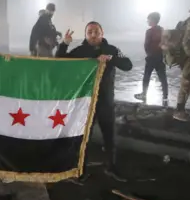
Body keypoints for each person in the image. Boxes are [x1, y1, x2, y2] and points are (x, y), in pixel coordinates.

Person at [56, 21, 133, 183]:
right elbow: (60, 61)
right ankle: (80, 171)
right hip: (86, 103)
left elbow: (128, 65)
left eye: (96, 31)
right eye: (89, 32)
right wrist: (64, 44)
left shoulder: (111, 50)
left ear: (102, 33)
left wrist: (111, 59)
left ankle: (111, 167)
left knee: (109, 136)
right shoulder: (80, 51)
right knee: (84, 138)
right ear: (85, 35)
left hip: (106, 101)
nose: (93, 35)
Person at [134, 12, 167, 106]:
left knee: (146, 77)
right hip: (160, 57)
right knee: (162, 78)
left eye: (148, 19)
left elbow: (146, 45)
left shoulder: (149, 31)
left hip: (151, 57)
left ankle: (144, 94)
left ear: (152, 20)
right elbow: (164, 43)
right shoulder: (162, 30)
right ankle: (165, 96)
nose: (147, 21)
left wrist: (149, 53)